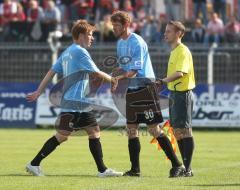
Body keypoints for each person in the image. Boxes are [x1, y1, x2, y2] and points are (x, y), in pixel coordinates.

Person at [25, 19, 123, 177]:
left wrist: (38, 91)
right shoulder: (80, 51)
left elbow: (51, 72)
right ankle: (34, 164)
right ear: (81, 35)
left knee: (93, 132)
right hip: (75, 103)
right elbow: (96, 72)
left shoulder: (67, 51)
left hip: (78, 102)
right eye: (90, 34)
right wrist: (113, 79)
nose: (92, 38)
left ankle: (102, 170)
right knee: (63, 136)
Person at [110, 11, 184, 177]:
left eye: (116, 25)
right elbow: (125, 67)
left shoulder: (137, 42)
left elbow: (134, 71)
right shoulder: (119, 43)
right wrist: (113, 76)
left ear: (125, 25)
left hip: (145, 88)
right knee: (131, 128)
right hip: (133, 89)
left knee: (153, 129)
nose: (114, 28)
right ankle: (135, 169)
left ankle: (177, 165)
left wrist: (119, 78)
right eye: (113, 25)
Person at [157, 21, 196, 177]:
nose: (165, 34)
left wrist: (162, 81)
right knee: (178, 131)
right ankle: (186, 168)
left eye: (169, 31)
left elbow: (180, 73)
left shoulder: (182, 51)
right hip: (174, 94)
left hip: (182, 94)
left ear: (179, 33)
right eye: (165, 31)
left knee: (185, 130)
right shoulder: (174, 51)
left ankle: (188, 168)